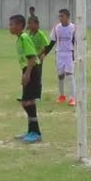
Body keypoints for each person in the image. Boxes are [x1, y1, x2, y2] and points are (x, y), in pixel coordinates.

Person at [9, 14, 43, 144]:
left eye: (11, 24)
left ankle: (35, 133)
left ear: (18, 26)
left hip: (33, 70)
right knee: (27, 102)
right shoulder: (20, 38)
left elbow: (32, 57)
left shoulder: (24, 37)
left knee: (27, 102)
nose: (9, 27)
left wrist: (27, 74)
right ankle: (32, 131)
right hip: (28, 69)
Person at [42, 9, 76, 107]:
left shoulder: (73, 28)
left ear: (67, 17)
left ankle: (72, 98)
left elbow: (76, 42)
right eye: (59, 16)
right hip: (59, 54)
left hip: (69, 53)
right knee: (60, 76)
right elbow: (52, 42)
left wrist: (76, 54)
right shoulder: (57, 28)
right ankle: (62, 96)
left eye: (62, 16)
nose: (60, 18)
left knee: (70, 75)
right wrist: (45, 53)